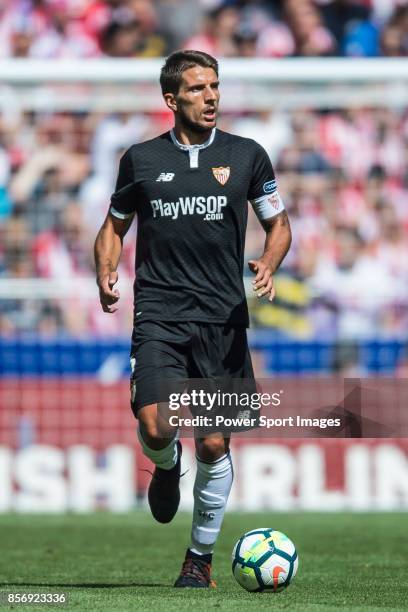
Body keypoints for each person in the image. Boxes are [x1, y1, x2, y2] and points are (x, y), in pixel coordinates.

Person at [94, 49, 292, 588]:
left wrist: (269, 264)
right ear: (171, 99)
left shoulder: (248, 155)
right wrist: (106, 273)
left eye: (215, 86)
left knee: (213, 443)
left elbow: (279, 226)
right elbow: (113, 227)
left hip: (222, 320)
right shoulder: (140, 160)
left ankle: (198, 561)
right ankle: (163, 462)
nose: (211, 97)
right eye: (199, 88)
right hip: (159, 313)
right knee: (157, 424)